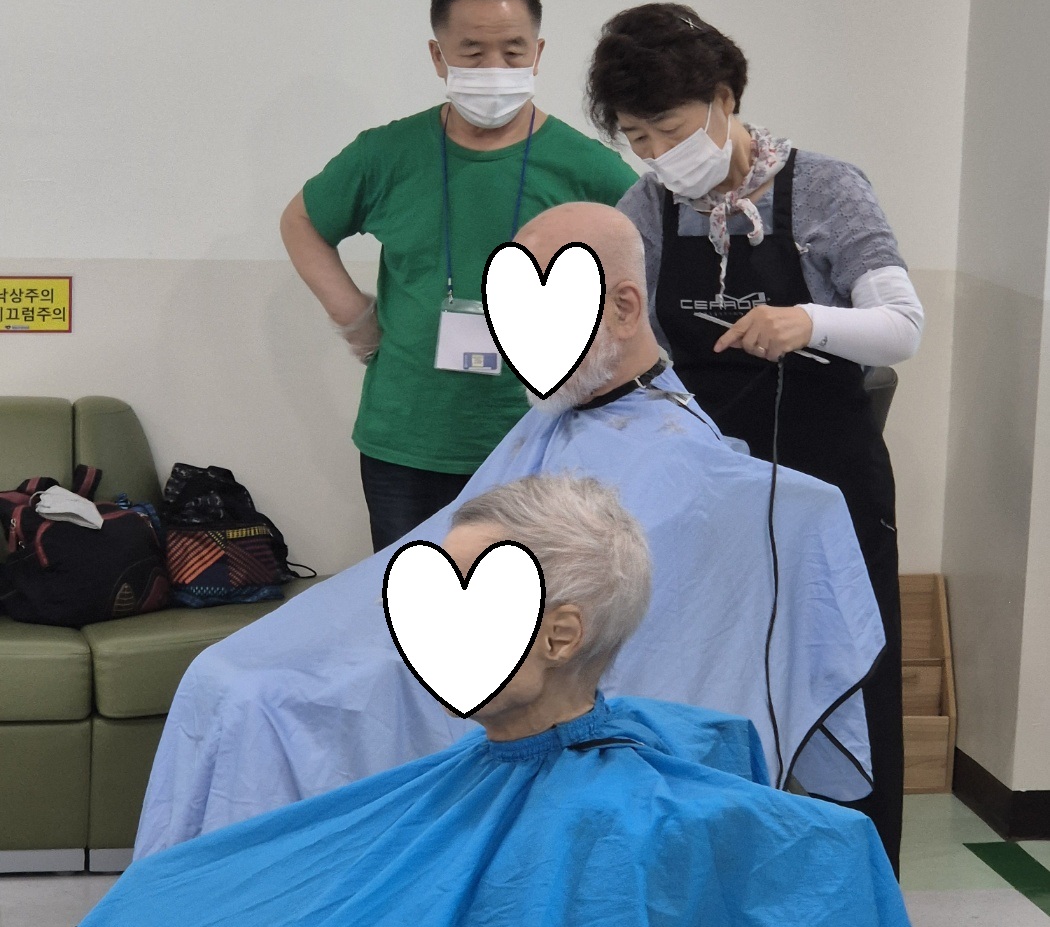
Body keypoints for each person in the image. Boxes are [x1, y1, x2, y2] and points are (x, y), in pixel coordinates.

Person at [0, 475, 936, 927]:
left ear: (561, 634)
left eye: (470, 607)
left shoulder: (621, 819)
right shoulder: (479, 776)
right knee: (166, 902)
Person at [135, 202, 885, 859]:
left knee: (254, 698)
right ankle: (184, 915)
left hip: (514, 663)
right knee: (222, 673)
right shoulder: (562, 419)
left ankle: (245, 922)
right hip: (460, 616)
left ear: (625, 309)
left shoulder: (675, 456)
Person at [585, 3, 925, 874]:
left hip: (829, 481)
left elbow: (902, 325)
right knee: (710, 675)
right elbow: (619, 345)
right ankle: (721, 881)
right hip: (708, 490)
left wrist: (808, 321)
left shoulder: (824, 188)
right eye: (637, 137)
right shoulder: (645, 209)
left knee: (849, 674)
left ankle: (856, 886)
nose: (658, 154)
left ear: (724, 98)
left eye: (670, 129)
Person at [280, 0, 637, 551]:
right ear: (438, 55)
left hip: (542, 437)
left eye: (512, 51)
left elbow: (644, 265)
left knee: (539, 601)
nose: (494, 68)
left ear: (538, 53)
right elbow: (301, 222)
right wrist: (354, 317)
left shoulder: (588, 167)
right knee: (411, 596)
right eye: (472, 53)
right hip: (407, 438)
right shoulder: (386, 153)